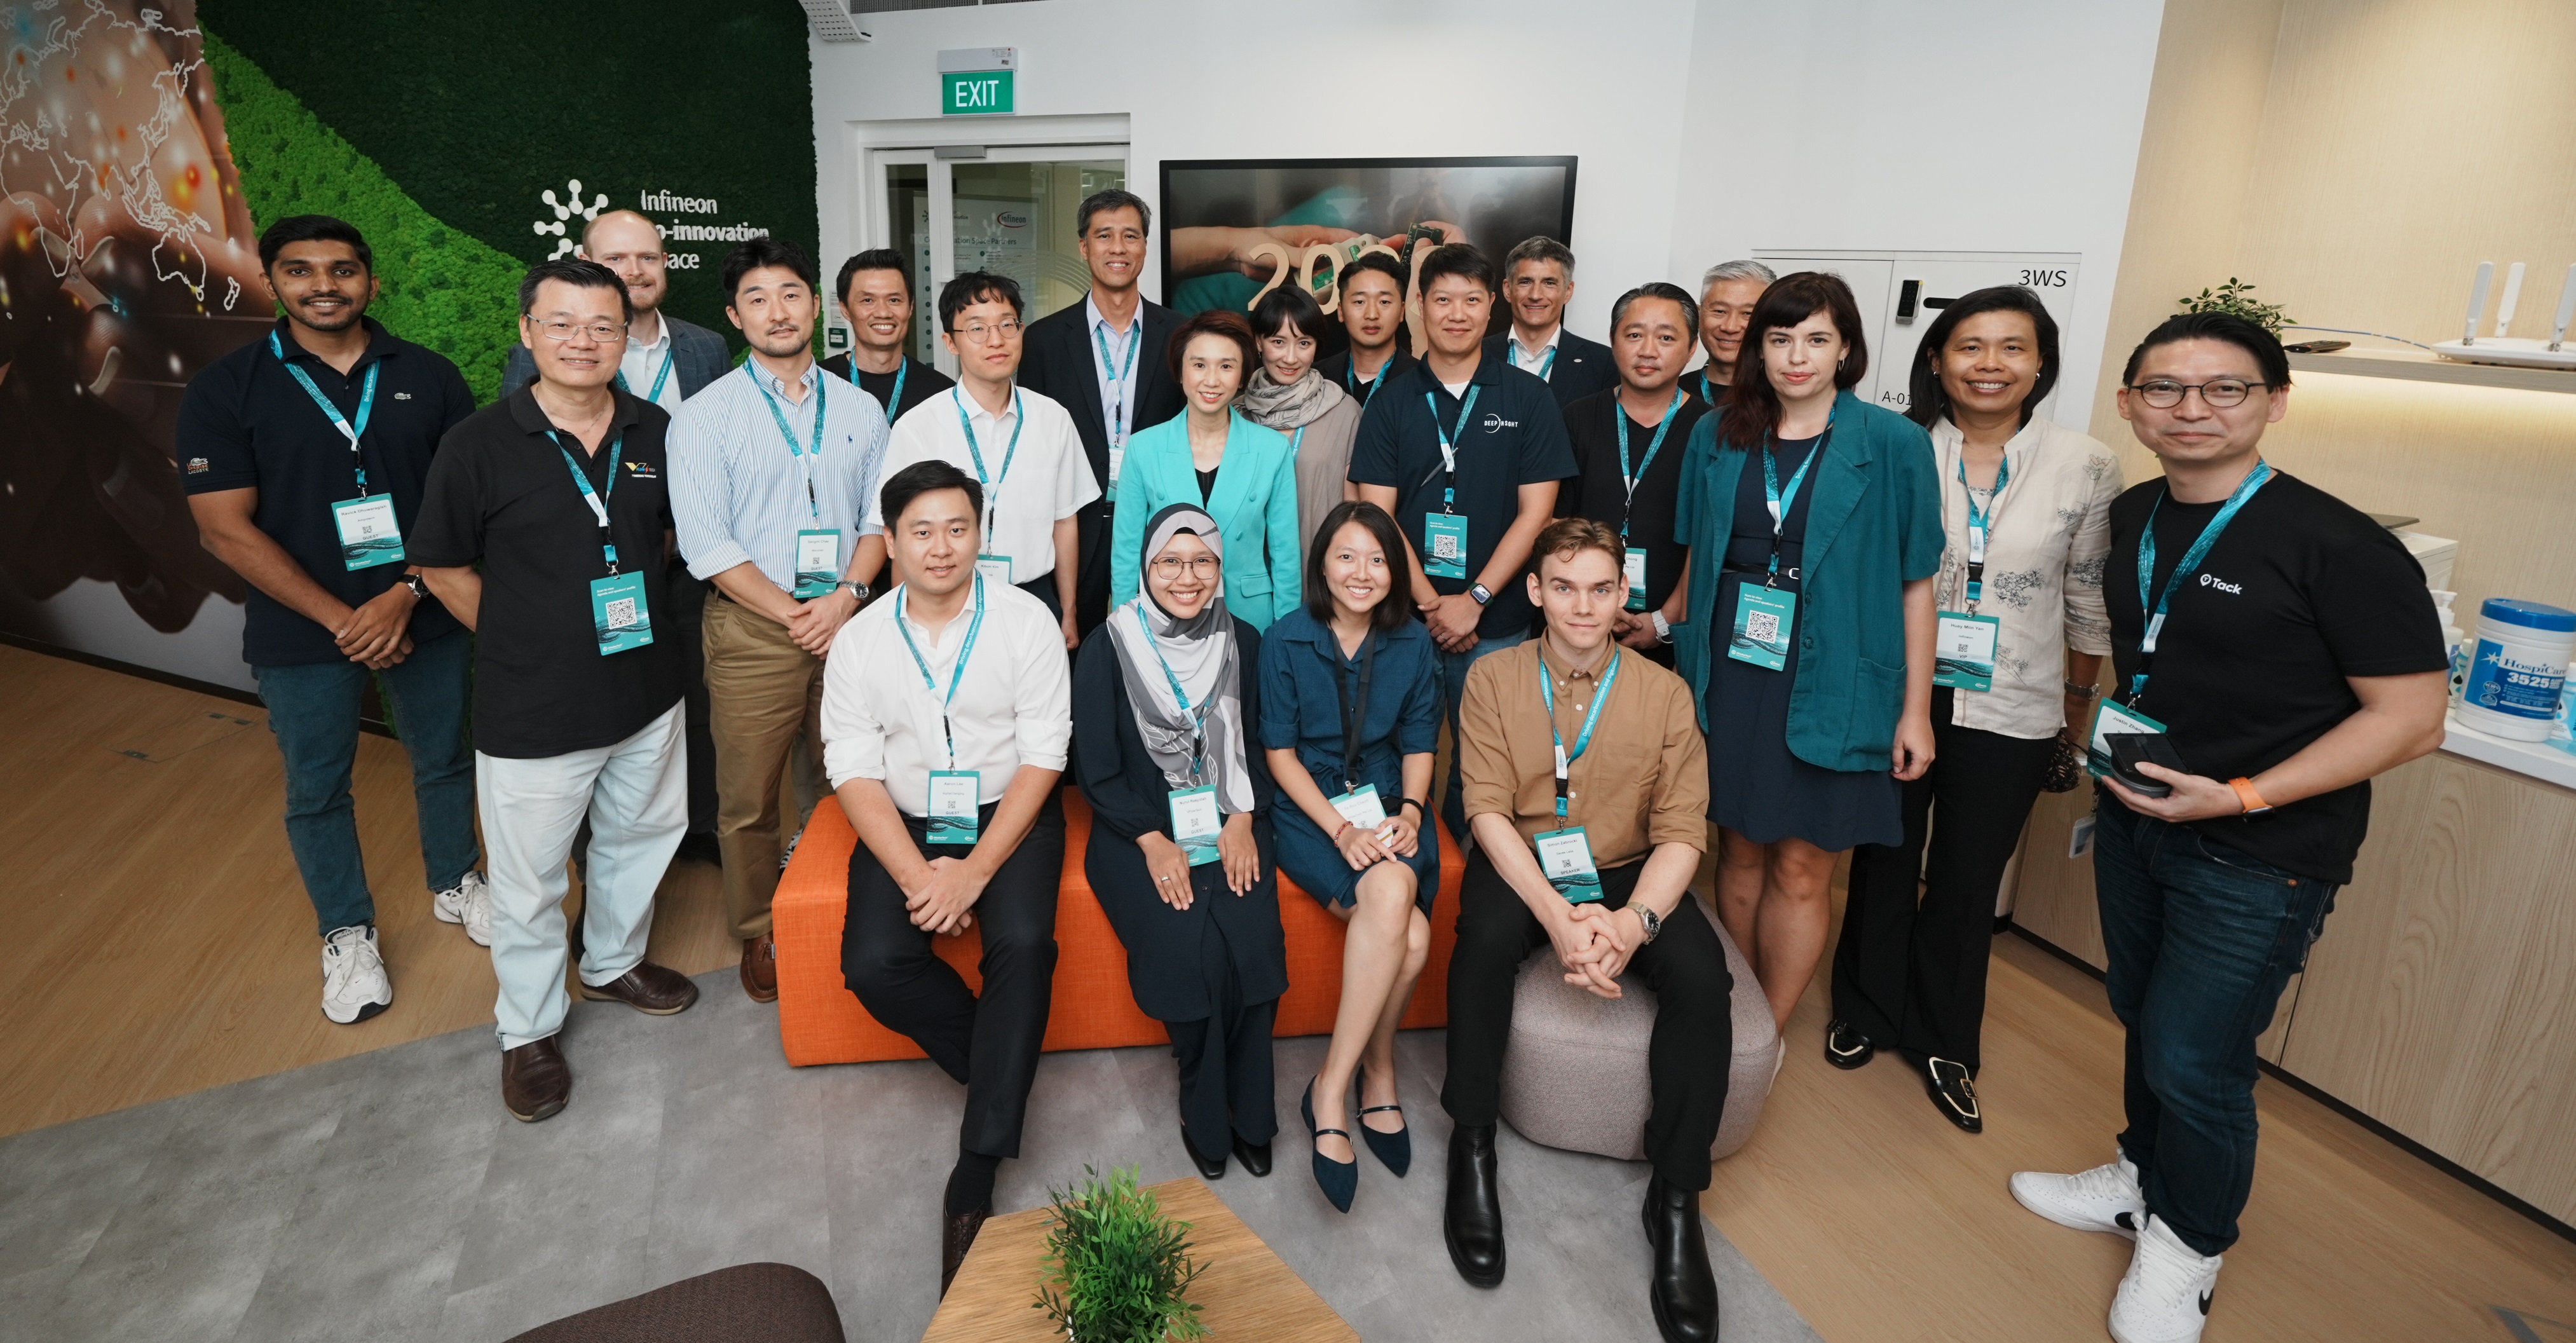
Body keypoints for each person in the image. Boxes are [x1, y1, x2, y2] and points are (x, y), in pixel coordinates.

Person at [2010, 313, 2447, 1343]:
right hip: (2137, 817)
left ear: (2273, 401)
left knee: (2195, 1054)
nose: (2191, 408)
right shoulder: (2132, 514)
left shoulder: (2338, 545)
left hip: (2258, 849)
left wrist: (2240, 795)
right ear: (2129, 404)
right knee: (2142, 1012)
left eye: (2224, 388)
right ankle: (2142, 1176)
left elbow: (2410, 718)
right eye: (2164, 388)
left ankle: (2188, 1245)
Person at [411, 259, 700, 1122]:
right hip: (534, 706)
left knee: (641, 837)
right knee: (530, 879)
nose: (584, 341)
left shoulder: (655, 430)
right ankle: (530, 1029)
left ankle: (612, 962)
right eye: (562, 323)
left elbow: (670, 536)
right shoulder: (477, 444)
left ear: (625, 337)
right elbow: (441, 564)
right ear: (527, 332)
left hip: (646, 688)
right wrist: (523, 639)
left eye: (603, 326)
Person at [1829, 287, 2122, 1132]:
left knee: (1968, 875)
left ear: (2041, 363)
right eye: (1970, 347)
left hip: (2017, 698)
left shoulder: (2085, 464)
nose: (1990, 364)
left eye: (2011, 348)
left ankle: (1945, 1038)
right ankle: (1866, 1008)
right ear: (1936, 360)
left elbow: (2087, 600)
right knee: (1884, 855)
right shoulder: (1897, 446)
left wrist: (2075, 711)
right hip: (1898, 691)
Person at [179, 214, 484, 1026]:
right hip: (302, 631)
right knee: (317, 787)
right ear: (272, 281)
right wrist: (347, 618)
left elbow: (465, 505)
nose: (324, 285)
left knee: (444, 757)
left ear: (371, 281)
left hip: (424, 612)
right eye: (301, 270)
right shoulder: (225, 388)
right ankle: (347, 932)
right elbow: (223, 529)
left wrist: (404, 595)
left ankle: (457, 881)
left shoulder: (428, 375)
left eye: (343, 269)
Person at [1441, 518, 1729, 1343]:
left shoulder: (1664, 694)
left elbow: (1683, 832)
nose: (1582, 606)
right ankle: (1472, 1141)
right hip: (1526, 858)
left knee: (1704, 980)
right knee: (1482, 942)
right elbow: (1485, 812)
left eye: (1601, 589)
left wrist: (1634, 925)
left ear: (1622, 594)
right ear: (1535, 591)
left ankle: (1675, 1197)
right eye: (1564, 587)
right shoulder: (1493, 677)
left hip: (1630, 867)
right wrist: (1557, 920)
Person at [821, 460, 1073, 1294]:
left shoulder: (1027, 621)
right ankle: (1001, 1063)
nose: (941, 547)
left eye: (957, 528)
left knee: (1024, 942)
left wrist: (974, 874)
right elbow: (852, 767)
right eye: (921, 531)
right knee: (872, 965)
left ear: (980, 534)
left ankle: (975, 1170)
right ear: (890, 542)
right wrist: (919, 875)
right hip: (908, 817)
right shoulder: (860, 640)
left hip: (1010, 809)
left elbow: (1045, 754)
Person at [1672, 270, 1942, 1030]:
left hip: (1838, 674)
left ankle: (1768, 1030)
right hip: (1732, 669)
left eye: (1817, 339)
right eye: (1781, 338)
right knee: (1738, 853)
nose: (1797, 356)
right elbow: (1696, 559)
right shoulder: (1715, 433)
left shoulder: (1893, 443)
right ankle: (1732, 1021)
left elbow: (1916, 587)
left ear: (1846, 348)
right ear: (1757, 348)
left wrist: (1915, 712)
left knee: (1800, 866)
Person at [669, 237, 892, 1004]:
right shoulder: (703, 417)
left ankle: (840, 903)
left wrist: (845, 598)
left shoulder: (860, 408)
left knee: (848, 774)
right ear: (736, 317)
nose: (777, 311)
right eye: (757, 299)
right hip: (755, 630)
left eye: (791, 294)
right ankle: (761, 927)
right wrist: (796, 612)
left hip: (848, 621)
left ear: (817, 306)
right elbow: (706, 544)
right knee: (750, 796)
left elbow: (879, 519)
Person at [503, 210, 737, 871]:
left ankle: (695, 825)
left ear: (665, 265)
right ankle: (594, 854)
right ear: (587, 264)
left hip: (693, 558)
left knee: (695, 698)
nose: (634, 270)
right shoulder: (545, 352)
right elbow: (530, 456)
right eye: (616, 259)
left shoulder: (704, 347)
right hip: (604, 561)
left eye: (648, 257)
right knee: (601, 710)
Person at [1073, 503, 1285, 1185]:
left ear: (1220, 568)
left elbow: (1261, 745)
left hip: (1232, 817)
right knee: (1187, 945)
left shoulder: (1243, 639)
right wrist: (1152, 841)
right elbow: (1096, 768)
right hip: (1134, 828)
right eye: (1170, 561)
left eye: (1202, 562)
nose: (1186, 577)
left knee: (1251, 940)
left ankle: (1252, 1108)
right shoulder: (1108, 645)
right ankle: (1203, 1102)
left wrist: (1243, 817)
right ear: (1146, 566)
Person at [1349, 243, 1574, 853]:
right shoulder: (1391, 401)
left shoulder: (1528, 398)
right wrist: (1431, 603)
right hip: (1403, 618)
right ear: (1419, 306)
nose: (1456, 313)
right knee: (1390, 750)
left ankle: (1470, 878)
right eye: (1442, 299)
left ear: (1491, 305)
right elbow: (1376, 513)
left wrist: (1474, 599)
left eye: (1471, 300)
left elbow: (1537, 513)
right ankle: (1402, 868)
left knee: (1485, 762)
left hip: (1496, 622)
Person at [1260, 501, 1440, 1213]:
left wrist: (1412, 813)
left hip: (1388, 802)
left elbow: (1420, 738)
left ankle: (1354, 1075)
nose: (1361, 572)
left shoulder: (1412, 641)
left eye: (1377, 559)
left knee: (1413, 935)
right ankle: (1353, 1080)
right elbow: (1279, 754)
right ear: (1322, 564)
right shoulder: (1284, 639)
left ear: (1394, 571)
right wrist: (1339, 828)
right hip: (1312, 809)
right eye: (1346, 556)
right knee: (1403, 916)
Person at [873, 271, 1096, 650]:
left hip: (1034, 597)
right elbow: (901, 533)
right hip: (945, 601)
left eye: (1007, 325)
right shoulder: (917, 427)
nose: (996, 340)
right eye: (977, 329)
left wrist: (1068, 611)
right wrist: (906, 626)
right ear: (951, 342)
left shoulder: (1053, 418)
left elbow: (1064, 521)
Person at [1019, 189, 1184, 634]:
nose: (1118, 248)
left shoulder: (1181, 335)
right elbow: (1032, 443)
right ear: (1083, 246)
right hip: (1074, 524)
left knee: (1160, 645)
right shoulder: (1043, 341)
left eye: (1130, 236)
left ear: (1145, 246)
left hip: (1158, 520)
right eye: (1104, 235)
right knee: (1073, 646)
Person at [1107, 312, 1304, 629]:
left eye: (1226, 366)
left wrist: (1287, 630)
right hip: (1165, 615)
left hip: (1248, 617)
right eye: (1199, 365)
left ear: (1242, 376)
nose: (1212, 380)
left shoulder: (1271, 449)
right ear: (1180, 371)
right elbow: (1127, 552)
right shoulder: (1144, 448)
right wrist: (1127, 625)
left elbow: (1285, 554)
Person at [1557, 282, 1710, 671]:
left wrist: (1664, 621)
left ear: (1692, 347)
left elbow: (1707, 541)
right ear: (1613, 341)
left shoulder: (1713, 430)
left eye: (1666, 337)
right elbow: (1557, 524)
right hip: (1579, 619)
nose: (1648, 351)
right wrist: (1592, 607)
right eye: (1634, 335)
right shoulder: (1577, 417)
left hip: (1675, 633)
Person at [1237, 283, 1363, 545]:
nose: (1291, 358)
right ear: (1259, 341)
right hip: (1248, 561)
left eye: (1304, 343)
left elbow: (1355, 512)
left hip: (1319, 557)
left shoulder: (1344, 411)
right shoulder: (1235, 414)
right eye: (1278, 342)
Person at [821, 247, 955, 423]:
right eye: (868, 300)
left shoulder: (942, 393)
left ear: (910, 307)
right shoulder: (816, 384)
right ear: (845, 309)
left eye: (894, 300)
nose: (883, 313)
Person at [1485, 236, 1616, 407]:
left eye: (1549, 283)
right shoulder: (1479, 354)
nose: (1535, 295)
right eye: (1525, 282)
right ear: (1508, 289)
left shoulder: (1603, 363)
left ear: (1568, 291)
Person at [1314, 250, 1416, 410]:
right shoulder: (1316, 378)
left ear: (1402, 311)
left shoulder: (1424, 380)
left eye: (1384, 302)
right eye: (1360, 302)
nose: (1372, 315)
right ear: (1341, 311)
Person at [1693, 259, 1775, 406]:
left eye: (1748, 313)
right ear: (1698, 314)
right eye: (1720, 311)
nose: (1730, 327)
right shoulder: (1671, 394)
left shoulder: (1788, 397)